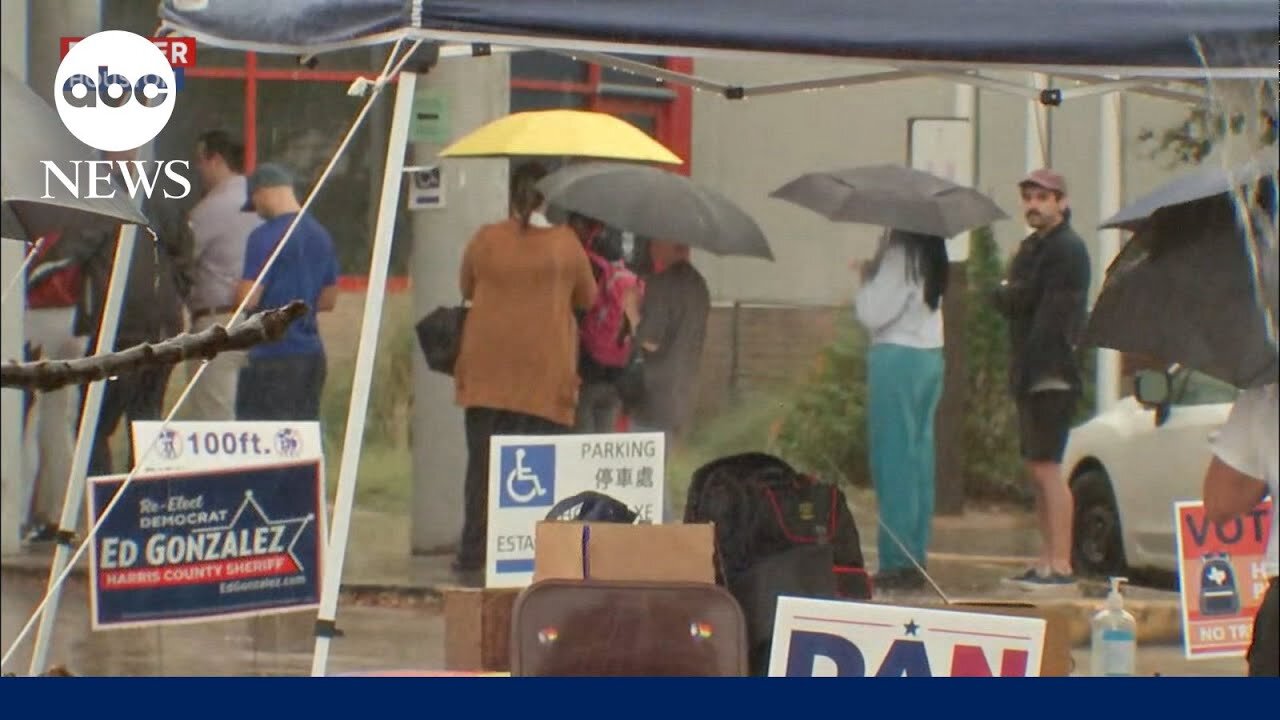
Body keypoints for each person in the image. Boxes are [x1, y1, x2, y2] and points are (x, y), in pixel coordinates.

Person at [451, 162, 597, 577]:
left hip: (484, 375)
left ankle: (474, 551)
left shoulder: (485, 239)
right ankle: (533, 551)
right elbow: (588, 296)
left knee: (481, 468)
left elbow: (466, 286)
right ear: (547, 197)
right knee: (540, 472)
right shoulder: (565, 244)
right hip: (543, 379)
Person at [63, 147, 193, 477]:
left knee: (93, 424)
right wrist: (174, 293)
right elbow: (184, 251)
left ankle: (104, 510)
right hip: (161, 328)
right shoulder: (161, 192)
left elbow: (71, 252)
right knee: (145, 421)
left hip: (120, 330)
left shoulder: (100, 199)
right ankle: (139, 505)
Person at [994, 168, 1092, 589]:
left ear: (1062, 203)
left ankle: (1062, 563)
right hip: (1029, 372)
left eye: (1043, 197)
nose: (1034, 205)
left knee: (1049, 468)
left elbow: (1045, 311)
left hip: (1053, 372)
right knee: (1036, 470)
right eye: (1029, 197)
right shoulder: (1031, 248)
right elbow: (1016, 300)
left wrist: (1008, 291)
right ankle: (1044, 559)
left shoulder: (1067, 249)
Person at [854, 229, 948, 591]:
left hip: (897, 357)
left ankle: (896, 561)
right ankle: (914, 554)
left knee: (893, 461)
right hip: (929, 356)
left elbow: (873, 312)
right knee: (917, 462)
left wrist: (867, 278)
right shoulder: (932, 250)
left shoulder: (900, 252)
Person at [235, 162, 339, 421]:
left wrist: (235, 290)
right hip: (311, 354)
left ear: (264, 192)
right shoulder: (321, 234)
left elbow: (248, 299)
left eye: (255, 202)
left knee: (263, 442)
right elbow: (328, 299)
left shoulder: (263, 237)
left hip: (271, 356)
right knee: (302, 440)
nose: (256, 211)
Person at [181, 129, 262, 420]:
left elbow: (183, 257)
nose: (198, 170)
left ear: (215, 160)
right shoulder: (259, 201)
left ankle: (223, 469)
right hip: (260, 319)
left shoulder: (209, 210)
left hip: (217, 321)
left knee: (214, 418)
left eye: (200, 162)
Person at [631, 240, 711, 517]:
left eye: (655, 241)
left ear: (669, 244)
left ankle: (665, 541)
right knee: (659, 472)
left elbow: (651, 341)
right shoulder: (700, 286)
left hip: (655, 396)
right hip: (683, 394)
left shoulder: (662, 285)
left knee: (647, 476)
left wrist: (631, 310)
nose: (651, 247)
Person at [567, 213, 642, 434]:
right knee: (603, 448)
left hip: (586, 371)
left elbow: (577, 312)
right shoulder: (620, 266)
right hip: (616, 373)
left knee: (582, 450)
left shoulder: (584, 262)